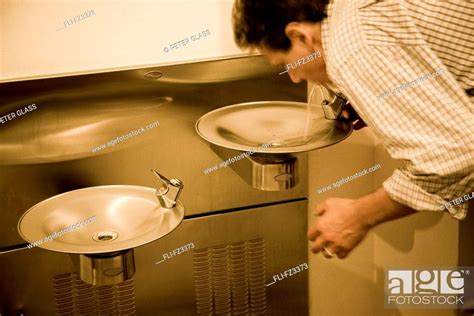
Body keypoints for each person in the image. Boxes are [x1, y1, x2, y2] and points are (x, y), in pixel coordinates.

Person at [232, 0, 474, 259]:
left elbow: (456, 156)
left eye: (287, 64)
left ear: (299, 35)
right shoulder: (349, 10)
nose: (294, 77)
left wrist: (358, 216)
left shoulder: (351, 50)